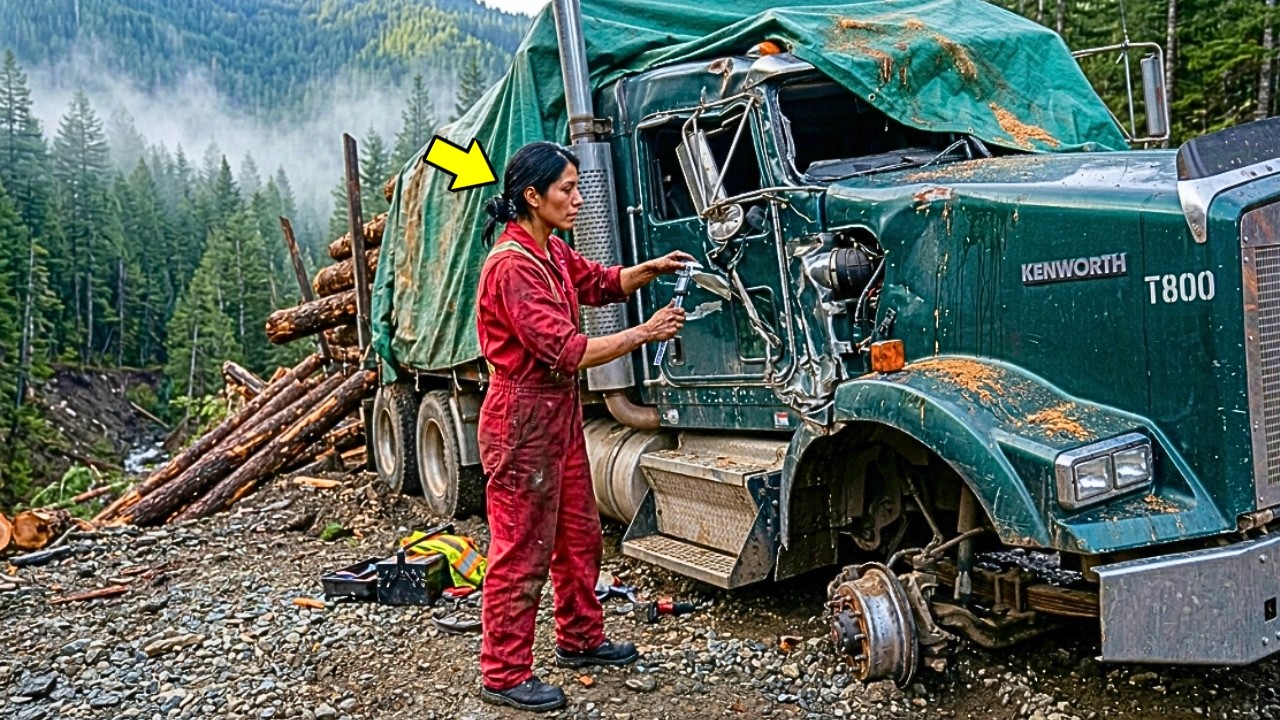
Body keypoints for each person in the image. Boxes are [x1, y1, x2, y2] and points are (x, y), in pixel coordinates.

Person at [475, 141, 691, 712]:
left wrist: (652, 269)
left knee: (578, 532)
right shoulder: (512, 267)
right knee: (522, 546)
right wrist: (644, 333)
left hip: (557, 414)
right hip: (522, 417)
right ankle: (503, 672)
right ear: (531, 196)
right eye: (566, 189)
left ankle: (580, 638)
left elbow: (599, 282)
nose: (576, 199)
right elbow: (567, 349)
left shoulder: (549, 250)